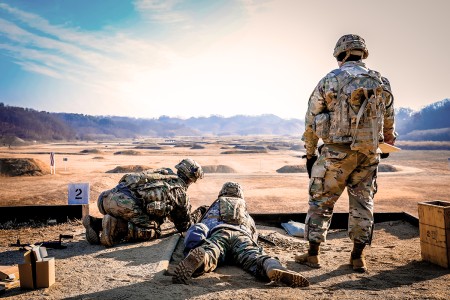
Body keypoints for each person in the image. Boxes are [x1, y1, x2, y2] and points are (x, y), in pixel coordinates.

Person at [297, 34, 397, 273]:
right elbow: (389, 121)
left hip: (335, 154)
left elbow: (311, 122)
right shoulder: (380, 81)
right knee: (363, 204)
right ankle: (357, 258)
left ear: (340, 54)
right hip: (368, 154)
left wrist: (310, 155)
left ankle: (312, 255)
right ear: (363, 54)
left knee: (321, 202)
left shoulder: (330, 80)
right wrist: (385, 143)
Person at [172, 181, 310, 288]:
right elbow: (253, 233)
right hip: (242, 236)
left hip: (220, 233)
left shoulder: (216, 204)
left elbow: (204, 224)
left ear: (222, 192)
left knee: (212, 251)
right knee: (253, 255)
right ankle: (270, 264)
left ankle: (201, 258)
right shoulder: (244, 210)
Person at [83, 158, 206, 247]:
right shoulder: (180, 192)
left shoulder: (164, 173)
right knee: (153, 230)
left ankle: (96, 223)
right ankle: (114, 227)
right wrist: (199, 213)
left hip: (105, 198)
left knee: (137, 216)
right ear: (191, 178)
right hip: (125, 204)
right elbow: (184, 226)